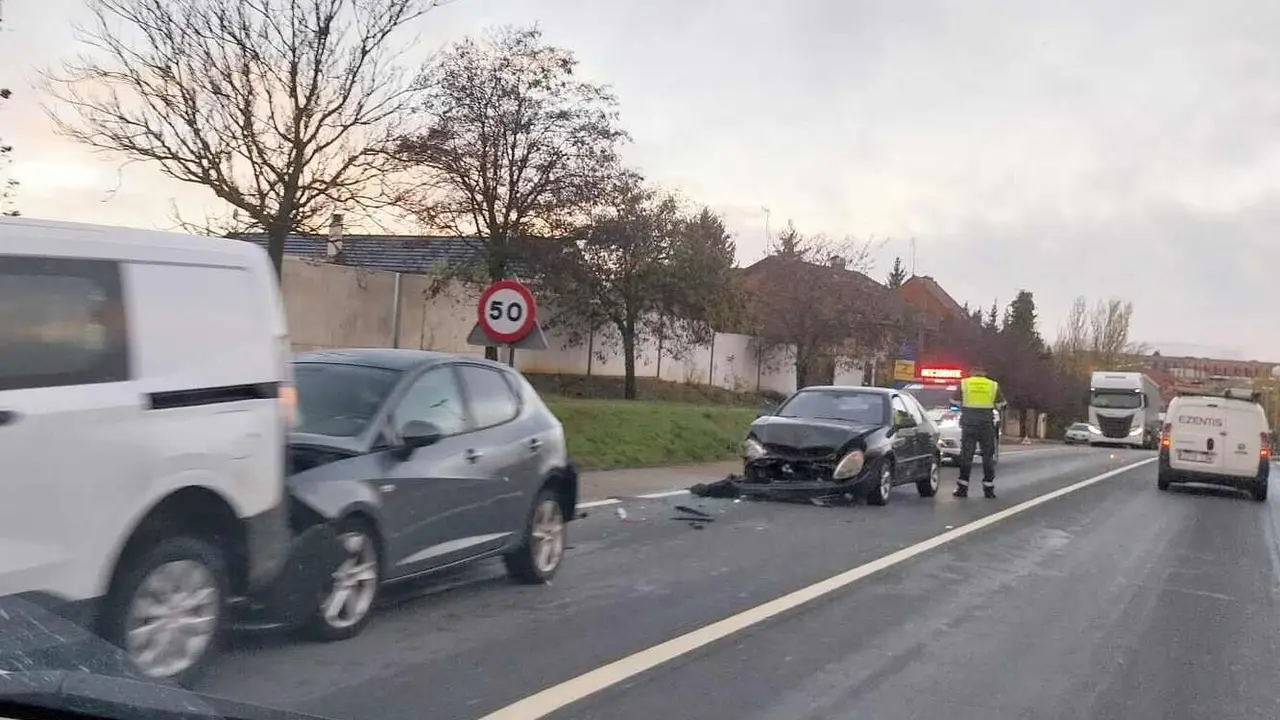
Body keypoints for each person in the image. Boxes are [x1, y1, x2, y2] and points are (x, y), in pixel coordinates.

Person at [949, 366, 1007, 499]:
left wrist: (965, 407)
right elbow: (1002, 405)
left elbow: (953, 401)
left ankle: (962, 488)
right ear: (985, 372)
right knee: (987, 456)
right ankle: (988, 488)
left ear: (971, 372)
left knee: (966, 455)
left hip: (969, 423)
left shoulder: (965, 383)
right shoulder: (992, 385)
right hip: (986, 424)